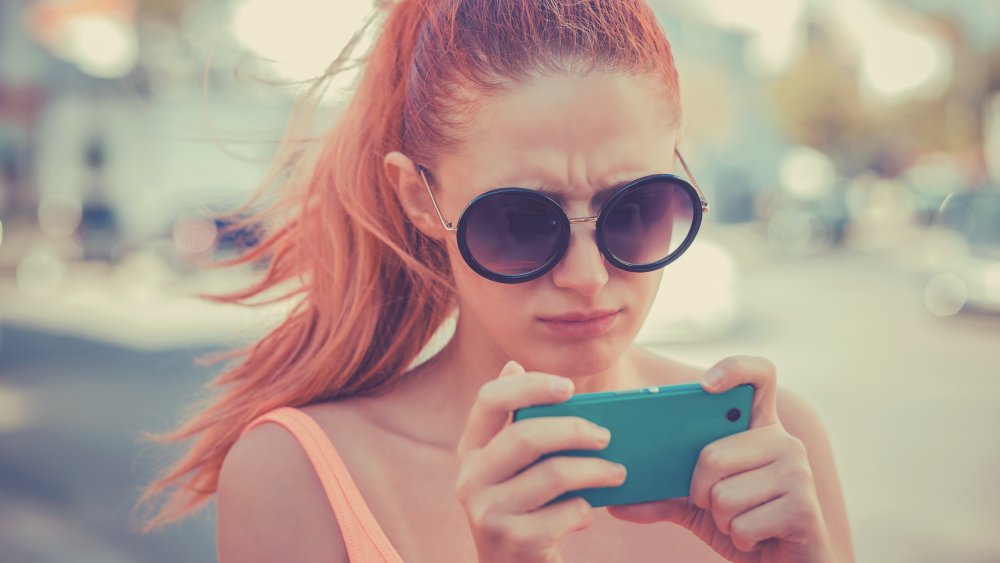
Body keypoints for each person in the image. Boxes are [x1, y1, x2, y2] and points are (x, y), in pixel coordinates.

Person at [137, 1, 854, 561]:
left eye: (634, 210)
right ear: (422, 198)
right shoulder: (295, 476)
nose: (585, 276)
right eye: (520, 222)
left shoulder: (778, 441)